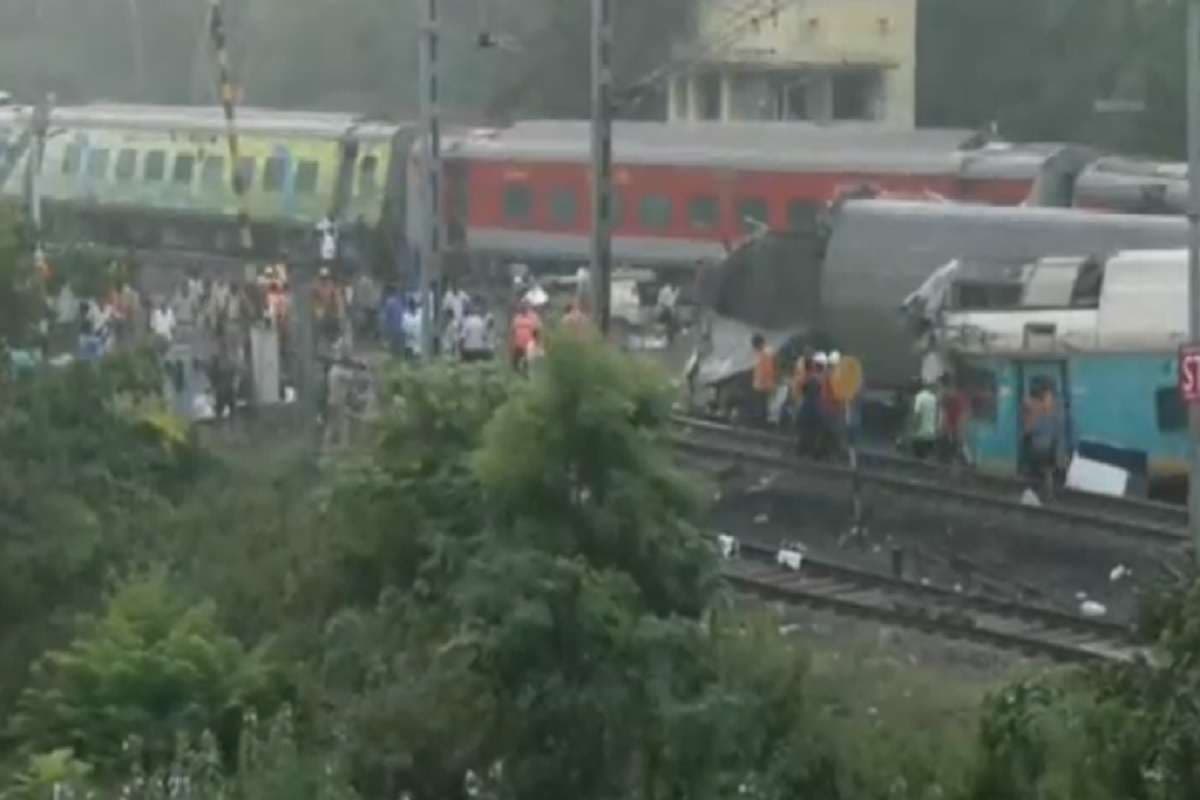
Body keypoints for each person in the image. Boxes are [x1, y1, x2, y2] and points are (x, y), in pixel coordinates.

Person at [938, 373, 969, 465]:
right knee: (955, 444)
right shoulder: (955, 395)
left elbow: (946, 410)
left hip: (954, 424)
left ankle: (966, 462)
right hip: (953, 424)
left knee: (957, 443)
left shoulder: (949, 394)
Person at [749, 334, 777, 427]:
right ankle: (760, 422)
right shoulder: (761, 352)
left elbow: (768, 370)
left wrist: (766, 382)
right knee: (760, 404)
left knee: (763, 405)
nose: (755, 348)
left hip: (764, 384)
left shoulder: (766, 352)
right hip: (760, 384)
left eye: (755, 346)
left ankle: (762, 423)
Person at [910, 379, 939, 460]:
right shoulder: (934, 398)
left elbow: (917, 415)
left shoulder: (919, 397)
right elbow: (937, 416)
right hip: (931, 434)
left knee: (918, 459)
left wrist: (913, 430)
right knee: (927, 459)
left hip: (920, 435)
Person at [510, 300, 542, 370]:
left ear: (528, 307)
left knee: (527, 363)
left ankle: (526, 376)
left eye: (525, 306)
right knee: (515, 363)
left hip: (529, 343)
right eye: (522, 306)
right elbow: (513, 330)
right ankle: (518, 375)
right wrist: (511, 343)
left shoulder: (534, 317)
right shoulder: (517, 317)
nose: (523, 307)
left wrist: (537, 343)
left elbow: (537, 330)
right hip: (518, 344)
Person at [382, 286, 407, 356]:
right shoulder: (401, 301)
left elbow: (386, 317)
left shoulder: (390, 302)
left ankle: (395, 358)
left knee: (395, 347)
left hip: (395, 327)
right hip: (400, 327)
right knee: (398, 346)